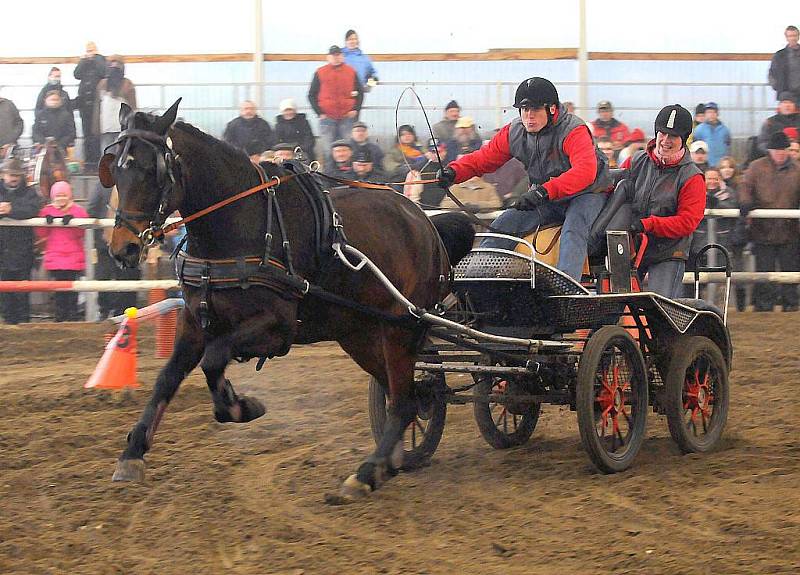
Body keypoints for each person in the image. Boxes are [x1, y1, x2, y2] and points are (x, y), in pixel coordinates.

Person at [438, 77, 611, 281]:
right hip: (546, 197)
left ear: (552, 109)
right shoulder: (515, 131)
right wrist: (454, 172)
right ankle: (475, 280)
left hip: (587, 193)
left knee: (574, 230)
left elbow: (584, 172)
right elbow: (483, 159)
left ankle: (567, 286)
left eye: (535, 109)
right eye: (524, 109)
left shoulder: (574, 130)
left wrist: (543, 191)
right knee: (502, 226)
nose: (529, 116)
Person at [620, 104, 706, 298]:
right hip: (633, 247)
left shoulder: (692, 177)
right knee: (616, 301)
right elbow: (613, 190)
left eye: (673, 136)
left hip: (669, 252)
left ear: (683, 140)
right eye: (662, 133)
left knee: (661, 306)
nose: (666, 140)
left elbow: (687, 222)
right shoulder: (636, 162)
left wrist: (647, 224)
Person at [739, 131, 800, 312]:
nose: (780, 153)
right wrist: (745, 203)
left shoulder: (797, 170)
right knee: (763, 271)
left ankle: (791, 304)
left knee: (790, 270)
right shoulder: (756, 167)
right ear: (770, 150)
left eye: (783, 150)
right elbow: (745, 187)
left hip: (790, 231)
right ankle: (763, 306)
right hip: (763, 231)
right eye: (777, 150)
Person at [36, 181, 89, 322]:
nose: (61, 199)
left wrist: (73, 222)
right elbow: (41, 233)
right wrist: (45, 221)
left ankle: (72, 316)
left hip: (73, 258)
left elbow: (83, 232)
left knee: (72, 290)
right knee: (59, 290)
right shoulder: (46, 211)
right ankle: (60, 317)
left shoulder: (78, 211)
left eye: (64, 195)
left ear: (69, 196)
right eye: (58, 195)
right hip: (56, 258)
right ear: (53, 197)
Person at [0, 158, 41, 325]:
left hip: (23, 252)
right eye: (11, 174)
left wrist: (11, 210)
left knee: (23, 292)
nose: (14, 178)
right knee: (4, 294)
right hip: (2, 251)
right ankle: (8, 324)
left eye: (17, 175)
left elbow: (33, 209)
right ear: (3, 175)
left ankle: (24, 325)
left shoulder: (30, 192)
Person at [308, 45, 363, 165]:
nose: (336, 57)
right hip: (327, 118)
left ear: (342, 56)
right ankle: (329, 175)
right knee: (328, 150)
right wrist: (319, 113)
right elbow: (311, 94)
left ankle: (348, 175)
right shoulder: (320, 72)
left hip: (347, 117)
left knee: (349, 148)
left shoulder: (351, 71)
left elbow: (360, 92)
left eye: (338, 55)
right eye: (333, 55)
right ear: (328, 57)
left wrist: (355, 109)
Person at [94, 55, 137, 154]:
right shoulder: (102, 84)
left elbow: (133, 108)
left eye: (117, 64)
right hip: (106, 127)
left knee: (122, 155)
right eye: (112, 64)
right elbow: (98, 107)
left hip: (123, 128)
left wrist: (133, 127)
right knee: (107, 156)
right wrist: (96, 127)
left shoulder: (127, 84)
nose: (114, 66)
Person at [73, 42, 106, 169]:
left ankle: (97, 161)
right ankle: (88, 162)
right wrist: (83, 61)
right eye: (88, 50)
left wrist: (95, 58)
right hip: (84, 104)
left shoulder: (101, 60)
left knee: (96, 134)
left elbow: (103, 72)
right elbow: (76, 74)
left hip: (97, 105)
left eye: (92, 50)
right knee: (86, 134)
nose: (89, 52)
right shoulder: (84, 62)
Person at [692, 102, 731, 167]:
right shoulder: (699, 130)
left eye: (713, 112)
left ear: (717, 114)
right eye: (708, 112)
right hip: (705, 164)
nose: (711, 115)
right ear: (705, 114)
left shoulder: (725, 130)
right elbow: (695, 147)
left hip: (721, 165)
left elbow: (728, 146)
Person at [768, 25, 800, 102]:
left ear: (798, 36)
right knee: (786, 114)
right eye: (790, 36)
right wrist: (778, 87)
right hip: (785, 95)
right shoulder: (779, 55)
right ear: (786, 38)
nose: (792, 38)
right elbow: (772, 73)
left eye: (794, 35)